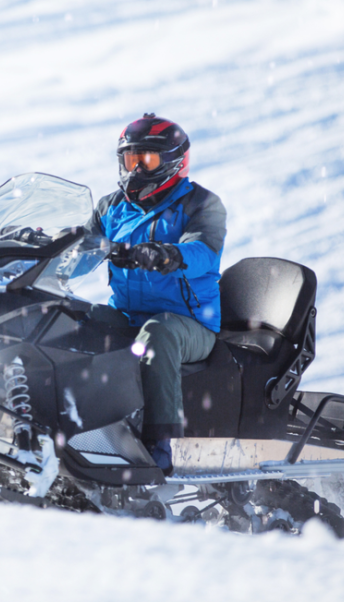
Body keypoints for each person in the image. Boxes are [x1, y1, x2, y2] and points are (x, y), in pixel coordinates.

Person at [86, 113, 226, 474]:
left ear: (174, 162)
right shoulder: (110, 207)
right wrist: (43, 247)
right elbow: (81, 249)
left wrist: (169, 254)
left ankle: (164, 444)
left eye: (146, 160)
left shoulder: (201, 205)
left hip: (189, 325)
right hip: (128, 316)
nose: (135, 171)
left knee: (158, 334)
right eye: (130, 160)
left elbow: (203, 251)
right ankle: (79, 427)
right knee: (76, 319)